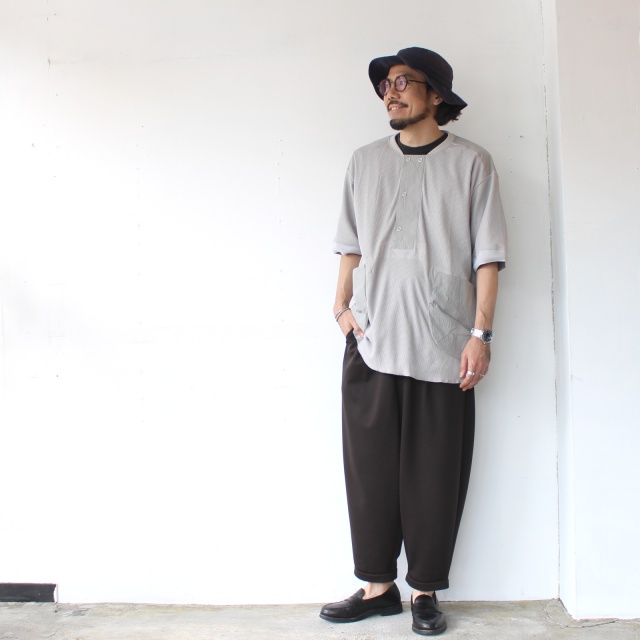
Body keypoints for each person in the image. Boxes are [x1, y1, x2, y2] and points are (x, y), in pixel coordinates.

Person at [320, 47, 508, 636]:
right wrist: (340, 307)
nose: (390, 92)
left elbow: (487, 257)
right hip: (372, 340)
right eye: (385, 85)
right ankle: (377, 588)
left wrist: (480, 335)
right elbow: (350, 245)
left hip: (443, 346)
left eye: (403, 82)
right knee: (369, 474)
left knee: (434, 477)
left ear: (436, 94)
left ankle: (424, 590)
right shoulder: (364, 161)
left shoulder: (472, 163)